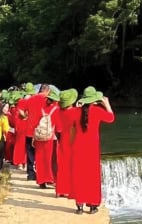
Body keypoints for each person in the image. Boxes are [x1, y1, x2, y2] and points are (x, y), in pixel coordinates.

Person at [69, 86, 114, 214]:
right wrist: (107, 104)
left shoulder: (75, 111)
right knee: (92, 177)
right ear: (94, 100)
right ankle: (93, 205)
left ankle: (79, 206)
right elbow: (111, 118)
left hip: (78, 147)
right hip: (92, 148)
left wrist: (78, 105)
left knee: (79, 176)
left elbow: (70, 122)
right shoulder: (98, 111)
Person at [33, 87, 60, 189]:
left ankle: (41, 181)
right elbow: (59, 127)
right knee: (50, 159)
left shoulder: (40, 108)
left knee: (39, 158)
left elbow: (34, 121)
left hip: (39, 136)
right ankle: (50, 179)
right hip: (50, 137)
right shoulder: (56, 109)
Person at [54, 88, 78, 200]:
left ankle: (60, 190)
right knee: (72, 166)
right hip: (72, 140)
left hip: (62, 139)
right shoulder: (74, 112)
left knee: (61, 165)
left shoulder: (58, 111)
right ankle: (70, 190)